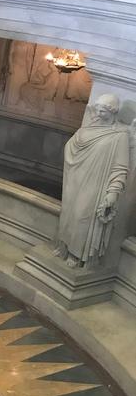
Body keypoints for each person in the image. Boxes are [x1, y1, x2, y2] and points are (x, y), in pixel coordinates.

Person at [54, 94, 135, 268]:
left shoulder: (119, 136)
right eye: (97, 108)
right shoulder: (90, 127)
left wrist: (113, 193)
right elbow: (73, 145)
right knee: (69, 214)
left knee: (82, 216)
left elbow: (121, 167)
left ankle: (77, 254)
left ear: (112, 112)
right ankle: (64, 245)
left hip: (95, 185)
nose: (98, 112)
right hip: (76, 179)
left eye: (103, 110)